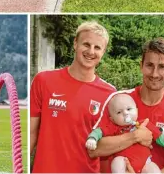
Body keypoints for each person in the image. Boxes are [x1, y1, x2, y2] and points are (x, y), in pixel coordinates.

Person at [88, 38, 164, 173]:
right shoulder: (118, 101)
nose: (154, 73)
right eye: (149, 65)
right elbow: (94, 149)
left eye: (162, 66)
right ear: (141, 66)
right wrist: (135, 137)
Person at [30, 21, 116, 173]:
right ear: (75, 43)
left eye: (97, 47)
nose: (91, 51)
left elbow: (107, 146)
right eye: (86, 44)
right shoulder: (44, 80)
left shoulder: (109, 94)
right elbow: (31, 133)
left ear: (103, 52)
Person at [86, 92, 164, 173]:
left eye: (129, 109)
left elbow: (160, 136)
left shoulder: (144, 124)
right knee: (117, 163)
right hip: (124, 161)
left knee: (154, 170)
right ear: (112, 119)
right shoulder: (114, 128)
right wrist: (92, 138)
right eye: (119, 112)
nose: (125, 113)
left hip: (146, 163)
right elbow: (99, 131)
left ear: (137, 110)